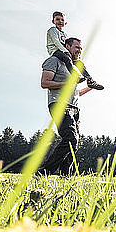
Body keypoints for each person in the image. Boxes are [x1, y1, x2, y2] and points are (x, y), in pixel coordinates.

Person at [39, 37, 94, 175]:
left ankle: (66, 176)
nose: (79, 51)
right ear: (67, 47)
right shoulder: (54, 61)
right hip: (59, 104)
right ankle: (44, 172)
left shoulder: (74, 68)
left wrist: (89, 88)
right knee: (70, 138)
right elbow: (44, 83)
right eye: (77, 47)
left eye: (80, 49)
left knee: (73, 143)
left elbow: (75, 92)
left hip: (74, 108)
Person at [46, 11, 104, 90]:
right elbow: (56, 42)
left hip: (63, 51)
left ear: (65, 23)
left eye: (62, 20)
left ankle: (90, 80)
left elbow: (65, 44)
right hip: (55, 50)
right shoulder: (52, 30)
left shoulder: (64, 34)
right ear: (53, 21)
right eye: (57, 19)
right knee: (67, 58)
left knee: (78, 63)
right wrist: (65, 51)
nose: (60, 21)